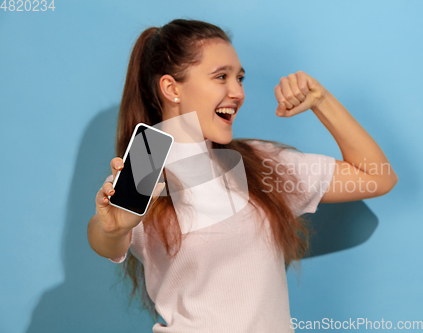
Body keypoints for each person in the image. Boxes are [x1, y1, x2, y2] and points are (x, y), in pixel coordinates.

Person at [87, 18, 398, 333]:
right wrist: (112, 229)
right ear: (171, 88)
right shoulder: (146, 165)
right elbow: (106, 239)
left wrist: (321, 100)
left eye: (240, 78)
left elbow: (377, 177)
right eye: (221, 76)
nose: (237, 92)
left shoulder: (259, 163)